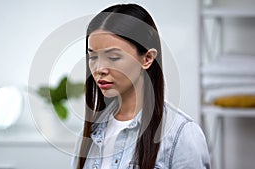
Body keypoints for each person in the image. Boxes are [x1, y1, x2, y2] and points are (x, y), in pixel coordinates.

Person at [72, 3, 210, 169]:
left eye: (113, 57)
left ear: (147, 58)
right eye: (93, 57)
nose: (99, 69)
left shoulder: (182, 134)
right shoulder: (92, 131)